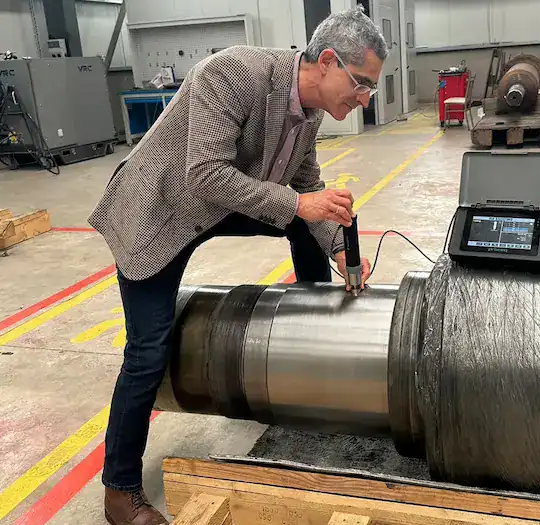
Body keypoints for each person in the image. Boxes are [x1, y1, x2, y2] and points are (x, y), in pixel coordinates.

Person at [87, 7, 387, 525]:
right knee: (148, 351)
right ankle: (120, 491)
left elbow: (308, 187)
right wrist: (300, 205)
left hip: (216, 208)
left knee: (306, 217)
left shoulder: (310, 113)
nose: (364, 99)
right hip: (158, 212)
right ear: (328, 62)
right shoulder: (232, 74)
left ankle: (315, 336)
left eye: (371, 89)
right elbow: (204, 175)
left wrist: (341, 248)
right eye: (362, 84)